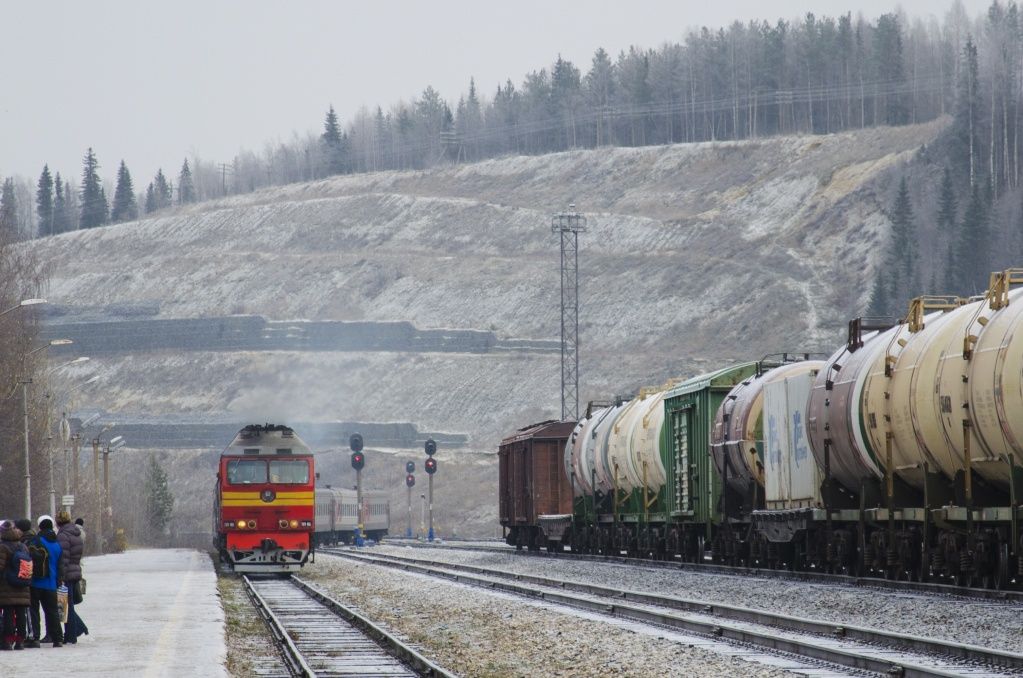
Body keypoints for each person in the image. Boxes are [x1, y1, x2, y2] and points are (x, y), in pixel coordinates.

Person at [28, 516, 65, 647]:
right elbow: (61, 566)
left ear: (40, 527)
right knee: (52, 611)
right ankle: (58, 639)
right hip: (51, 584)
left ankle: (35, 638)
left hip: (36, 582)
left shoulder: (36, 541)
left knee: (34, 610)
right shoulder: (57, 545)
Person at [55, 511, 87, 643]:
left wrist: (60, 576)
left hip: (66, 574)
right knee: (68, 605)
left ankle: (72, 634)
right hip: (75, 571)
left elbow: (63, 558)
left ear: (58, 522)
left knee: (65, 606)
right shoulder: (76, 533)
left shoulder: (63, 535)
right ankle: (76, 630)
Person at [0, 520, 31, 650]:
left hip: (7, 585)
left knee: (8, 613)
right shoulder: (23, 546)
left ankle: (7, 641)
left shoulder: (2, 547)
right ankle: (20, 641)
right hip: (23, 584)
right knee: (21, 613)